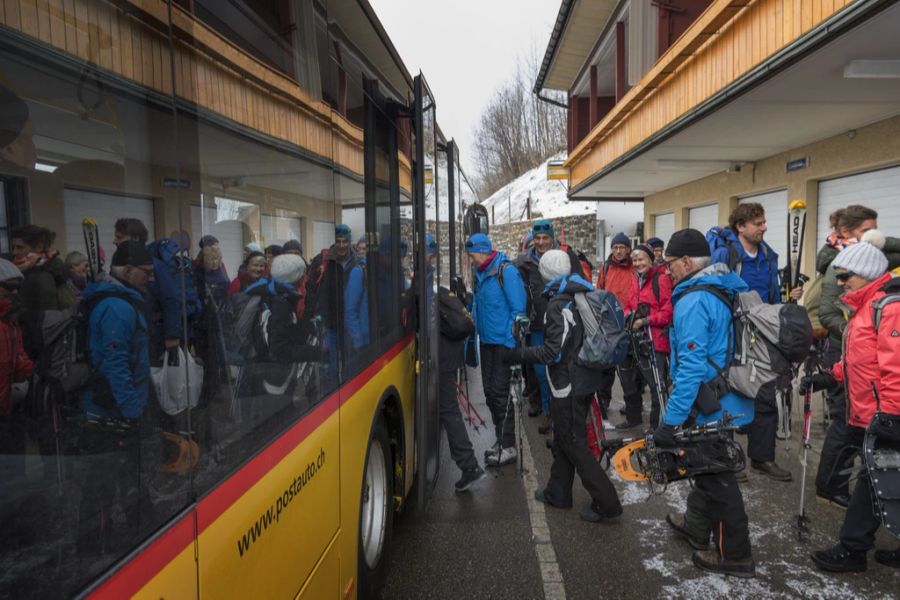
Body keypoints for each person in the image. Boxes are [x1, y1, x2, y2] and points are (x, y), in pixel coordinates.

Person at [658, 228, 756, 578]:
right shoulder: (721, 285)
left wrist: (670, 421)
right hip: (727, 396)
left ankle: (736, 555)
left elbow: (691, 368)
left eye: (669, 264)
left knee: (719, 478)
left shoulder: (694, 300)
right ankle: (696, 526)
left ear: (686, 262)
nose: (666, 271)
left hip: (710, 402)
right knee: (706, 465)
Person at [808, 238, 900, 573]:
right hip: (871, 411)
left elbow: (896, 367)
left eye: (846, 276)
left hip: (886, 415)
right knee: (885, 478)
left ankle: (853, 549)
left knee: (874, 479)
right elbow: (862, 360)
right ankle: (855, 547)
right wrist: (831, 377)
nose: (840, 282)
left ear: (867, 273)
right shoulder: (864, 307)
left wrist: (891, 413)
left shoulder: (890, 308)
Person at [513, 249, 623, 522]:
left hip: (567, 383)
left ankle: (607, 503)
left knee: (573, 442)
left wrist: (519, 354)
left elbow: (553, 352)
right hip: (585, 378)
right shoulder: (579, 292)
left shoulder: (557, 303)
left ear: (545, 274)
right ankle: (558, 492)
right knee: (565, 436)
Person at [814, 207, 900, 507]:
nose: (875, 237)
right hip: (853, 365)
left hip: (873, 389)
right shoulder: (843, 267)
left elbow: (892, 367)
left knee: (869, 450)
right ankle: (832, 488)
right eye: (867, 230)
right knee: (847, 430)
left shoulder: (880, 296)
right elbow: (827, 312)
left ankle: (858, 528)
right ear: (847, 232)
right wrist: (853, 338)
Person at [708, 203, 797, 482]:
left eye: (764, 221)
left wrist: (785, 304)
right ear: (741, 227)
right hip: (731, 333)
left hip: (762, 332)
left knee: (766, 391)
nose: (764, 227)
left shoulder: (768, 255)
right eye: (758, 223)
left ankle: (762, 457)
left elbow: (772, 293)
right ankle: (728, 459)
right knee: (729, 392)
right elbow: (713, 290)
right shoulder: (726, 254)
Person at [77, 241, 152, 553]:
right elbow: (115, 362)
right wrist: (133, 410)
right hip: (111, 411)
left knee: (118, 476)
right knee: (105, 481)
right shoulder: (117, 307)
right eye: (145, 272)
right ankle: (97, 546)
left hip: (113, 406)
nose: (150, 277)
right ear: (128, 270)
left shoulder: (121, 301)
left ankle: (132, 532)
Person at [514, 219, 585, 432]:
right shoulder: (524, 262)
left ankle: (562, 418)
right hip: (536, 324)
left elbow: (579, 283)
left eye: (545, 238)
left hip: (562, 321)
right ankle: (549, 413)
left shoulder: (566, 258)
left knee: (561, 371)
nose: (541, 242)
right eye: (537, 238)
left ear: (552, 238)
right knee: (540, 372)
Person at [466, 232, 527, 467]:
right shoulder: (479, 273)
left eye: (472, 255)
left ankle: (508, 445)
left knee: (500, 394)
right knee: (490, 393)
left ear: (482, 250)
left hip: (503, 344)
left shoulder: (506, 272)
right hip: (486, 343)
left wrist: (510, 343)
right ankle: (501, 439)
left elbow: (518, 309)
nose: (470, 260)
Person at [619, 244, 673, 429]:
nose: (637, 263)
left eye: (641, 259)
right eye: (634, 260)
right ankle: (633, 417)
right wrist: (628, 314)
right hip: (635, 336)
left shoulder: (661, 279)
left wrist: (646, 320)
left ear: (650, 259)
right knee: (629, 380)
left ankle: (656, 426)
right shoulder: (635, 279)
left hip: (654, 338)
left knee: (656, 383)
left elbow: (668, 311)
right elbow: (629, 303)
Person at [0, 260, 33, 484]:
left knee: (13, 473)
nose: (13, 293)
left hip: (7, 408)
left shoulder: (10, 320)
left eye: (16, 288)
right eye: (7, 287)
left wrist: (29, 369)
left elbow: (18, 357)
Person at [595, 232, 634, 418]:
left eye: (622, 248)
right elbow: (599, 290)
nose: (618, 251)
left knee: (630, 368)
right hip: (609, 322)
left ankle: (632, 404)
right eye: (615, 247)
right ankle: (604, 401)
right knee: (607, 366)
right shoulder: (607, 266)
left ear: (628, 249)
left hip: (630, 321)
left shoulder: (635, 266)